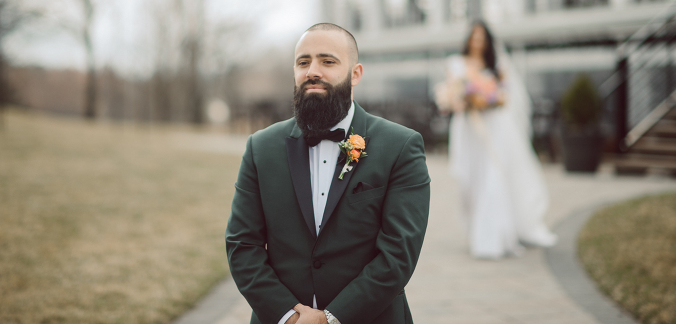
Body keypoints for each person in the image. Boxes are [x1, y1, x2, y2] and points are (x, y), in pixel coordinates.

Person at [226, 23, 431, 324]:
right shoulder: (261, 147)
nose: (313, 71)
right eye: (303, 62)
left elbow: (398, 255)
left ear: (356, 74)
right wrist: (288, 316)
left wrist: (331, 318)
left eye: (328, 61)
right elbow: (242, 245)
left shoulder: (400, 146)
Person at [435, 21, 556, 259]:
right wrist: (458, 101)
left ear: (488, 41)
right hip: (467, 129)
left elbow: (504, 96)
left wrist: (488, 99)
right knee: (469, 181)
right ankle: (474, 230)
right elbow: (451, 96)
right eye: (474, 37)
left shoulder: (497, 66)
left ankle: (492, 238)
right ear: (469, 39)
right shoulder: (455, 63)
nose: (477, 42)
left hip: (493, 129)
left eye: (482, 38)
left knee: (493, 177)